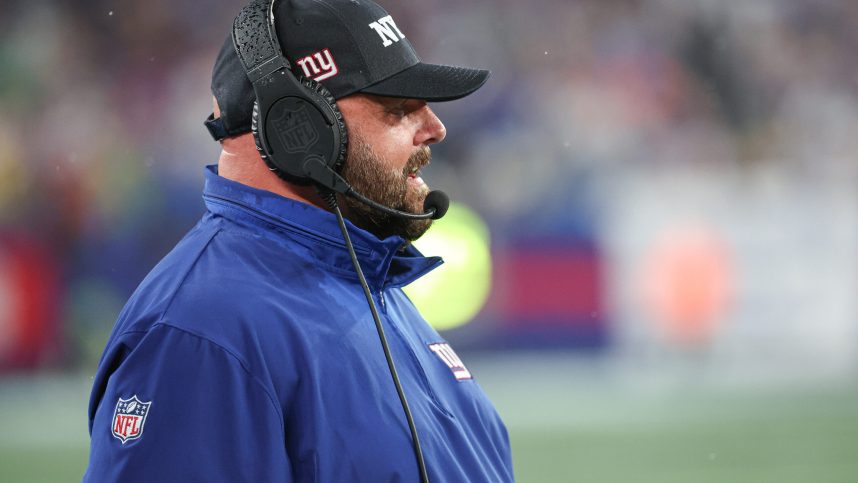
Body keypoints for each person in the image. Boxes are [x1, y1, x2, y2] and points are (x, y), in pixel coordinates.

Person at [82, 0, 514, 481]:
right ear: (300, 129)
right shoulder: (201, 332)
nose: (435, 129)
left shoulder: (366, 283)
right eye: (398, 109)